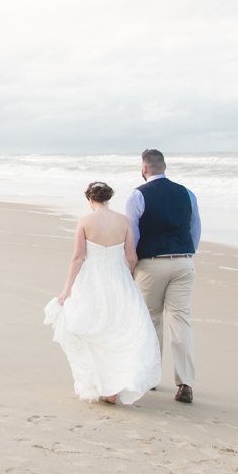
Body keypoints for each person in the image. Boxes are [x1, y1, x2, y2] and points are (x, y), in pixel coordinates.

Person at [43, 181, 161, 406]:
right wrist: (129, 278)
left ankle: (102, 385)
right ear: (108, 198)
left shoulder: (85, 222)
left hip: (91, 280)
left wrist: (66, 290)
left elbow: (78, 257)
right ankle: (114, 388)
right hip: (119, 279)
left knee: (94, 329)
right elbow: (131, 257)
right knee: (117, 331)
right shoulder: (123, 221)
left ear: (90, 200)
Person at [126, 149, 200, 405]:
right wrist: (187, 255)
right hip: (183, 262)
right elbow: (195, 229)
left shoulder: (137, 195)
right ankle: (186, 383)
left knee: (151, 320)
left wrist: (131, 265)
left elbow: (132, 236)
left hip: (151, 263)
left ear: (144, 168)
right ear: (164, 166)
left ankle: (151, 376)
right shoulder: (187, 193)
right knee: (181, 321)